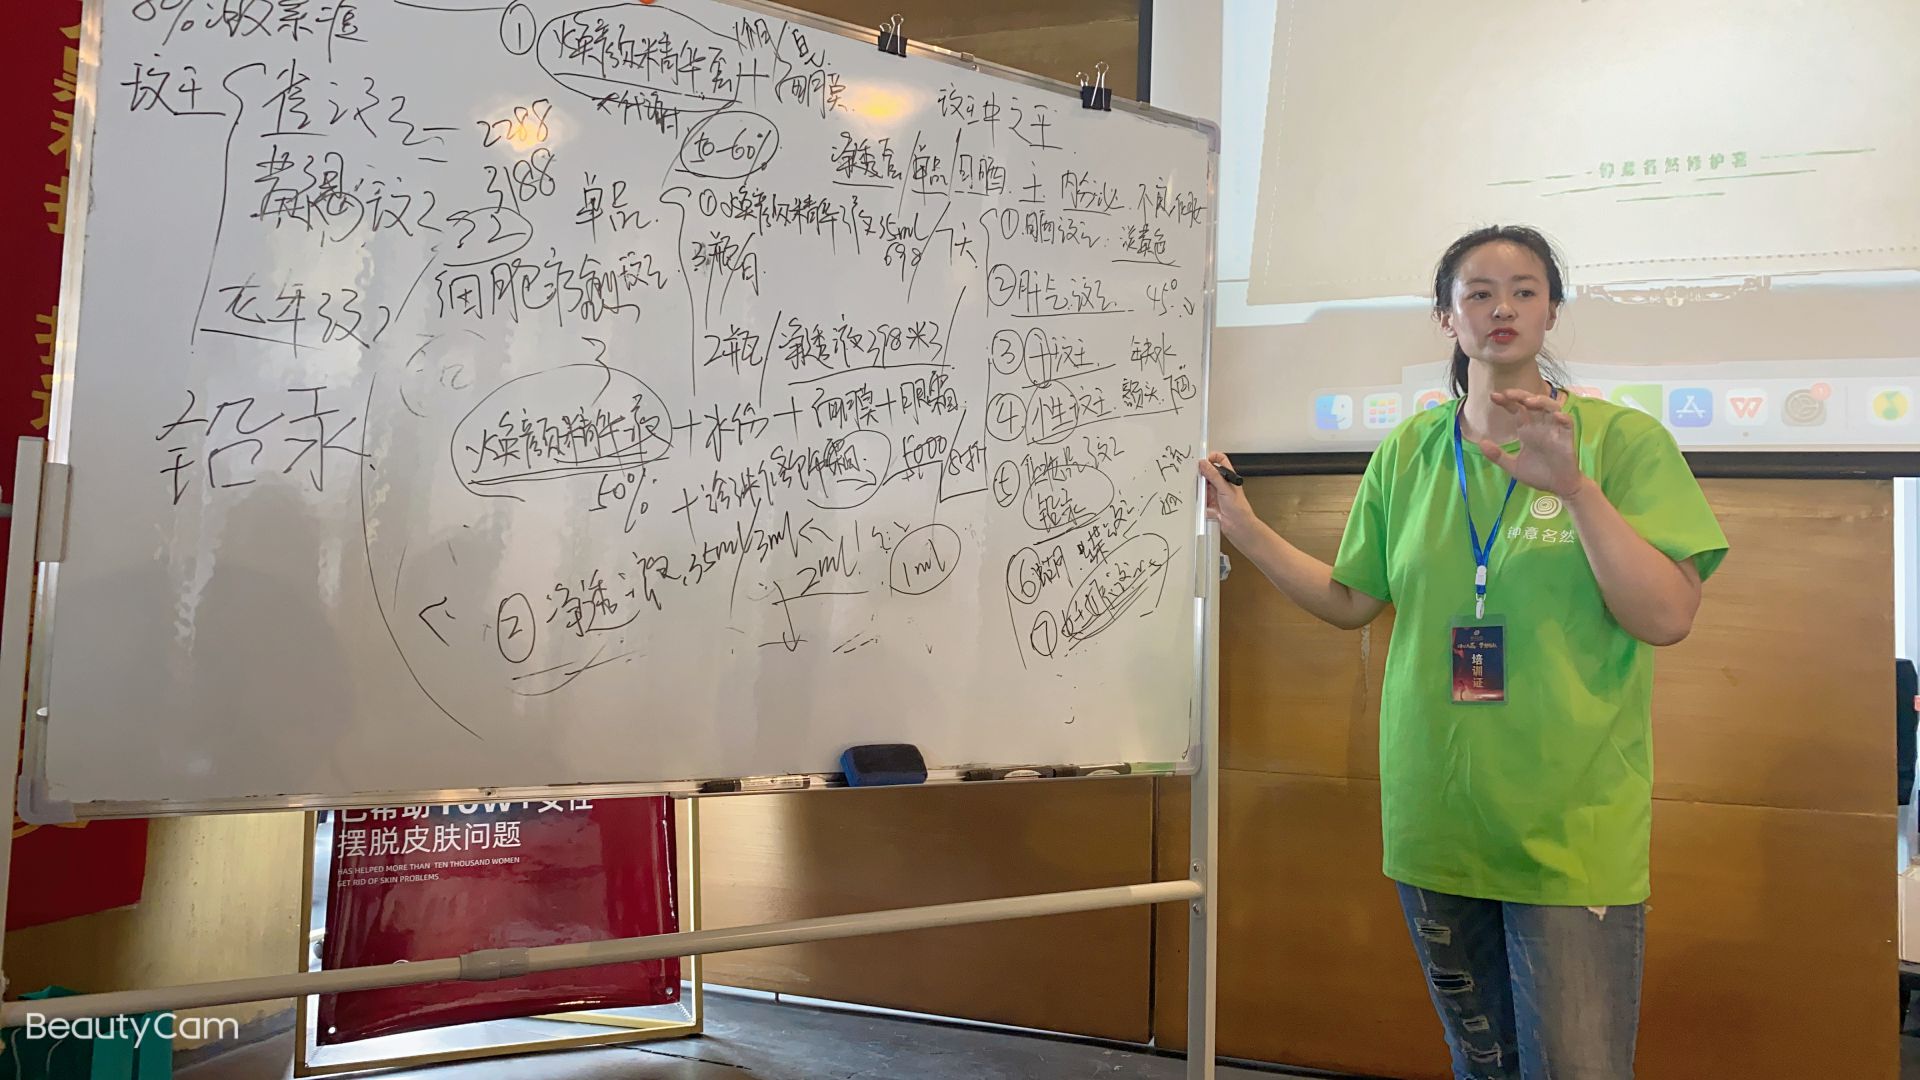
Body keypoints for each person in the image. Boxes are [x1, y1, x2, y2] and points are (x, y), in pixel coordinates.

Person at [1200, 225, 1729, 1079]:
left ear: (1552, 310)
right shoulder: (1409, 450)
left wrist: (1575, 488)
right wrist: (1245, 529)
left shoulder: (1621, 443)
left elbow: (1667, 616)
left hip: (1569, 827)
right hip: (1436, 820)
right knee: (1481, 1065)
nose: (1501, 308)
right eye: (1478, 293)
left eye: (1524, 290)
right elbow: (1350, 600)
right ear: (1447, 317)